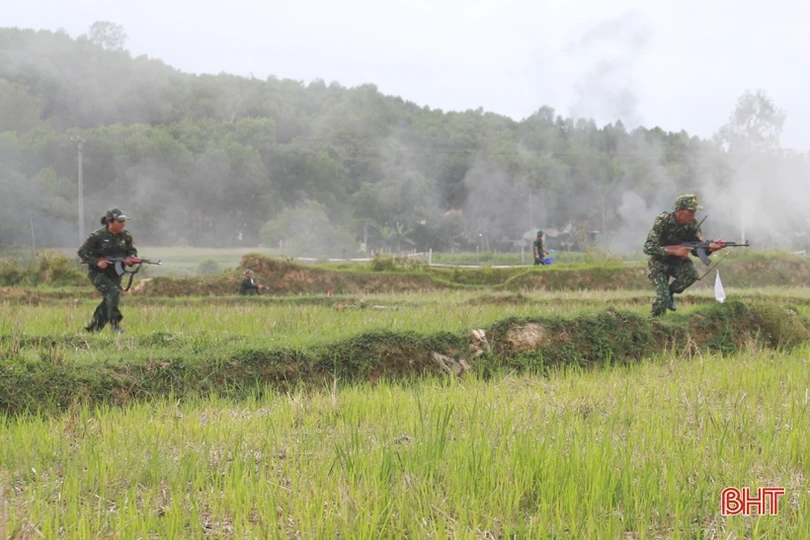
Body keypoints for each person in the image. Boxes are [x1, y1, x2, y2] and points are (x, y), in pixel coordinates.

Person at [643, 194, 726, 316]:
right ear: (678, 210)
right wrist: (674, 251)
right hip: (658, 263)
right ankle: (654, 324)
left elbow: (696, 249)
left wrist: (710, 248)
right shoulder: (663, 221)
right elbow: (648, 247)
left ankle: (669, 293)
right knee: (662, 299)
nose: (693, 215)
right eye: (690, 211)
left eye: (695, 211)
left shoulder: (693, 225)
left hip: (678, 262)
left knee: (691, 275)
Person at [77, 208, 138, 333]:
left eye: (124, 221)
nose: (123, 224)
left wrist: (130, 259)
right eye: (120, 221)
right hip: (98, 273)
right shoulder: (98, 236)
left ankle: (93, 329)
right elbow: (82, 252)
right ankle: (115, 325)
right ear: (110, 222)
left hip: (115, 273)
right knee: (113, 292)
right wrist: (97, 262)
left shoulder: (126, 236)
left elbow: (132, 252)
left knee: (109, 300)